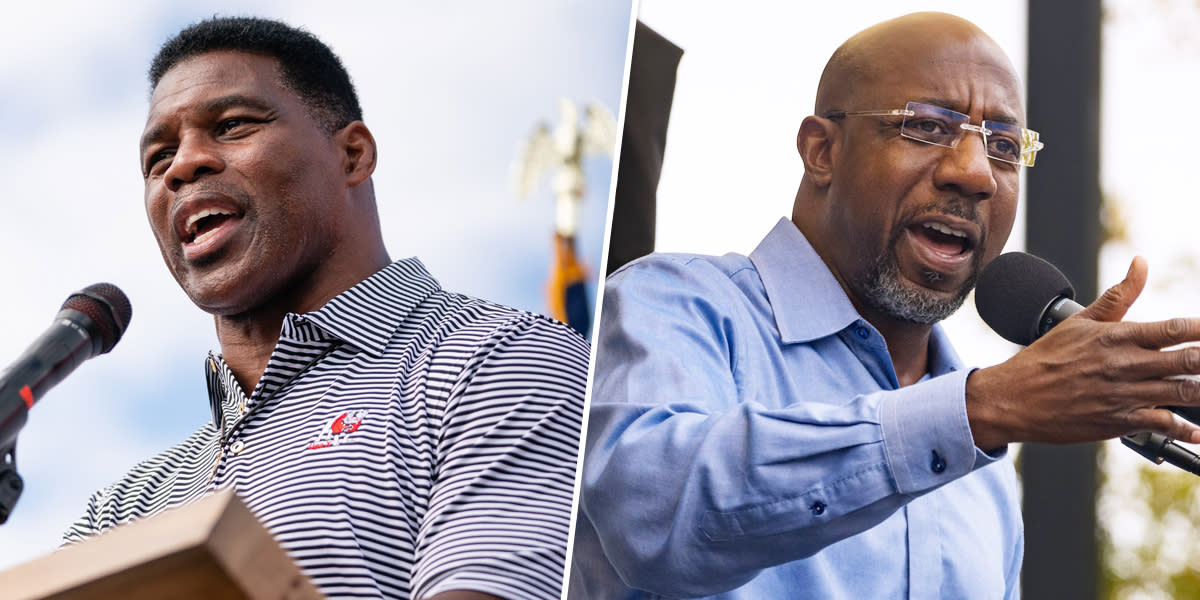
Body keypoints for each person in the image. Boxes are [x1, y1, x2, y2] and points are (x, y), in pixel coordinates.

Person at [570, 12, 1200, 599]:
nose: (976, 173)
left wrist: (980, 414)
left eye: (1005, 146)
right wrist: (980, 410)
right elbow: (652, 516)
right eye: (927, 126)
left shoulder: (985, 476)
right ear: (822, 151)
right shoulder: (675, 305)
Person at [61, 17, 589, 600]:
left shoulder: (496, 359)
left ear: (353, 155)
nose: (183, 165)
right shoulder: (121, 509)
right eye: (159, 158)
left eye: (232, 125)